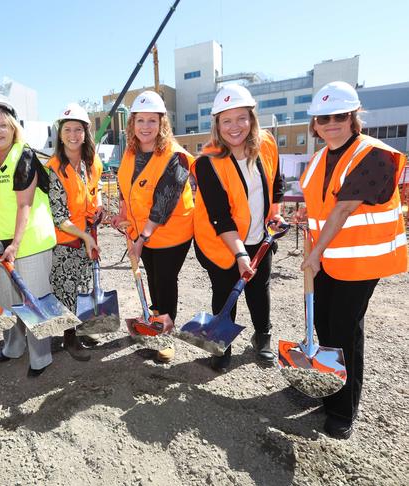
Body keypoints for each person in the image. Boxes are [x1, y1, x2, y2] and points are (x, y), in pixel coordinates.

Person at [299, 81, 407, 439]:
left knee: (345, 328)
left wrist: (314, 254)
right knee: (325, 326)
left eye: (339, 116)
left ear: (353, 117)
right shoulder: (318, 159)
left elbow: (345, 208)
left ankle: (343, 408)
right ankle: (330, 385)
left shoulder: (372, 154)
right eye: (323, 118)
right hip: (328, 260)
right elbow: (323, 206)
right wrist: (307, 229)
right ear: (314, 123)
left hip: (360, 262)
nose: (331, 123)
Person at [192, 84, 285, 373]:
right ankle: (221, 344)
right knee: (225, 292)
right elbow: (220, 215)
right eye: (226, 120)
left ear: (252, 118)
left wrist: (276, 215)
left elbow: (277, 185)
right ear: (217, 124)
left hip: (260, 236)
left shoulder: (267, 143)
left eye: (241, 118)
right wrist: (240, 253)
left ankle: (263, 337)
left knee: (259, 288)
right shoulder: (207, 163)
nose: (235, 127)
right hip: (221, 241)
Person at [111, 90, 195, 363]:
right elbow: (126, 186)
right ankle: (156, 323)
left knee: (165, 281)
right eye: (140, 121)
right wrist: (123, 212)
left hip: (170, 234)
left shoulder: (175, 156)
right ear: (132, 123)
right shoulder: (131, 151)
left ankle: (166, 337)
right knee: (152, 280)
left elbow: (163, 205)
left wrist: (141, 239)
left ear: (162, 124)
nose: (145, 127)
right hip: (141, 233)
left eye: (152, 121)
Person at [0, 99, 57, 377]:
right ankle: (13, 346)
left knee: (33, 301)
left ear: (13, 129)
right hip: (2, 242)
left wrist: (15, 245)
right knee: (8, 299)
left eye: (3, 126)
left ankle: (41, 356)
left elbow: (24, 205)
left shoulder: (24, 156)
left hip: (29, 241)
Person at [46, 103, 103, 361]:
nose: (72, 135)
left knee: (83, 287)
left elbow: (96, 188)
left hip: (86, 236)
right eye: (67, 129)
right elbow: (58, 217)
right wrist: (86, 237)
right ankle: (69, 339)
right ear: (60, 134)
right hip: (67, 241)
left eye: (78, 129)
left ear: (85, 132)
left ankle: (81, 327)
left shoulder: (92, 162)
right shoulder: (55, 168)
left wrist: (99, 206)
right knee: (66, 291)